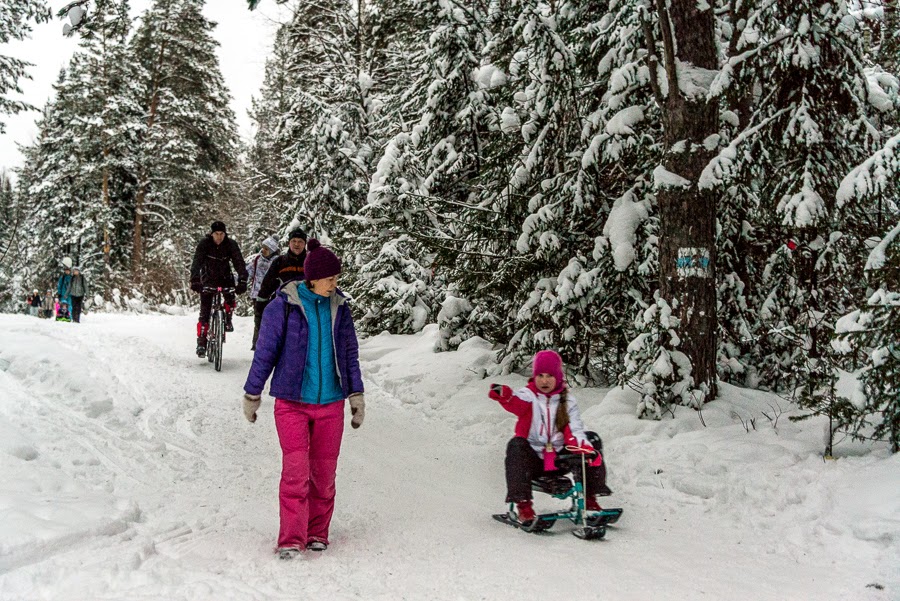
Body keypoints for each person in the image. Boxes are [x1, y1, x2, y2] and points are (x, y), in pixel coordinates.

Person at [242, 239, 365, 560]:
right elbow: (265, 353)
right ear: (313, 278)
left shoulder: (340, 308)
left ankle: (317, 533)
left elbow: (350, 355)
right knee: (296, 474)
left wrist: (356, 395)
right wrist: (252, 392)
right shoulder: (283, 306)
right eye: (330, 279)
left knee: (323, 479)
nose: (335, 285)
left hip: (331, 406)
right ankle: (291, 539)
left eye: (337, 279)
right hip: (291, 403)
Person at [488, 350, 611, 525]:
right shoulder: (528, 396)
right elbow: (515, 401)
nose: (544, 381)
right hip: (534, 460)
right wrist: (504, 394)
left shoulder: (567, 401)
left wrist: (585, 447)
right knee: (516, 445)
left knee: (592, 439)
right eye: (540, 375)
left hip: (561, 458)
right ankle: (524, 506)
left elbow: (575, 428)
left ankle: (590, 500)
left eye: (550, 376)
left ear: (558, 377)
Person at [189, 221, 248, 357]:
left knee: (230, 298)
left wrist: (242, 280)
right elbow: (196, 262)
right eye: (217, 234)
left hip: (225, 277)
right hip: (207, 278)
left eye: (222, 234)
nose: (219, 237)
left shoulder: (231, 244)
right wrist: (195, 280)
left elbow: (239, 262)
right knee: (205, 311)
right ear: (212, 233)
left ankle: (227, 318)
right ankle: (202, 342)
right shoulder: (205, 244)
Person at [246, 236, 281, 350]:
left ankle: (270, 345)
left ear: (272, 250)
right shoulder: (257, 260)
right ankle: (257, 345)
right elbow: (248, 273)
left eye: (266, 248)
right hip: (257, 296)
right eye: (263, 247)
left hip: (273, 296)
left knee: (272, 321)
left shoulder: (278, 262)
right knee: (258, 320)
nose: (263, 250)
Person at [256, 228, 307, 302]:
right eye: (294, 241)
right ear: (289, 243)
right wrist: (260, 303)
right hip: (284, 305)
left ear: (305, 244)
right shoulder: (279, 261)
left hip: (307, 306)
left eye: (300, 241)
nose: (297, 244)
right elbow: (267, 285)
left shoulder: (312, 262)